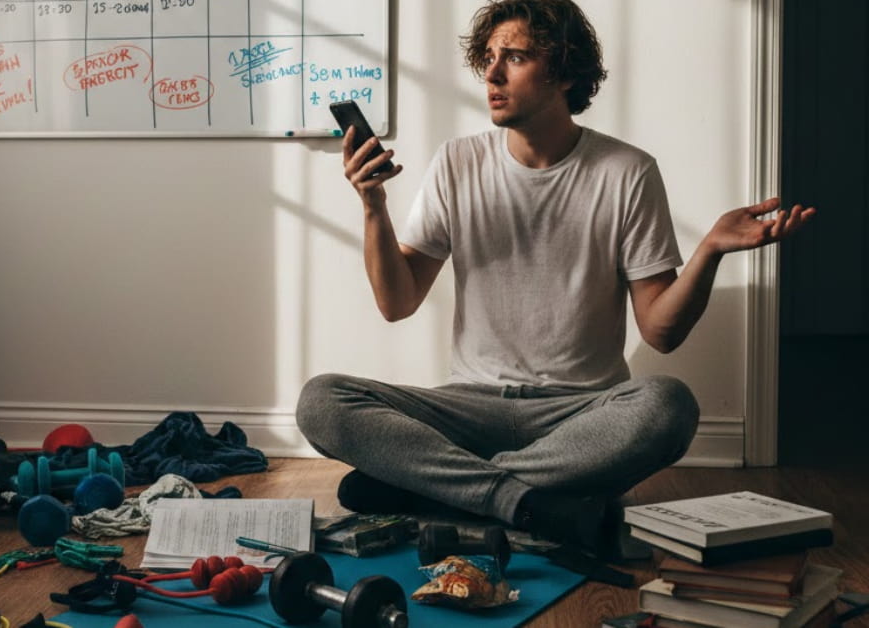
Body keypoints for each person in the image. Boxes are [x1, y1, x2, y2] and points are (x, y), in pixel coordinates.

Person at [295, 0, 815, 556]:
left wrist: (709, 249)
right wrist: (373, 205)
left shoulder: (627, 171)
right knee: (321, 400)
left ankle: (438, 487)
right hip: (470, 405)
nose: (493, 75)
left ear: (565, 72)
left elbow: (660, 332)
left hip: (580, 413)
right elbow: (396, 303)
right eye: (489, 58)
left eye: (515, 58)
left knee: (670, 405)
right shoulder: (457, 162)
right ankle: (527, 502)